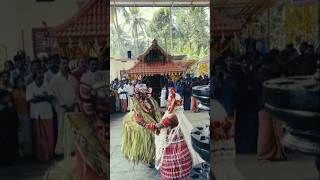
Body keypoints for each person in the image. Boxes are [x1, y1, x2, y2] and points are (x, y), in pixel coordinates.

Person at [135, 88, 204, 179]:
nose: (167, 102)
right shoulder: (178, 114)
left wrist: (142, 122)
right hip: (180, 143)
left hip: (173, 148)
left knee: (172, 171)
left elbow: (156, 126)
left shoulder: (171, 117)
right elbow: (165, 114)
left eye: (168, 101)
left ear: (172, 103)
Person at [121, 84, 162, 166]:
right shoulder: (137, 104)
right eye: (142, 93)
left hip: (152, 121)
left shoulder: (151, 101)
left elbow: (155, 111)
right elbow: (138, 118)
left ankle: (154, 155)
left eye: (146, 93)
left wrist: (161, 117)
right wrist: (147, 125)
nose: (144, 95)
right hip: (143, 123)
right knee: (149, 136)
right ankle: (148, 158)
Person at [256, 54, 286, 161]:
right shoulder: (262, 74)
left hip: (268, 105)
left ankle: (274, 154)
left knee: (270, 132)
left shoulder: (267, 72)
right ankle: (265, 155)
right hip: (266, 105)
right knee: (266, 132)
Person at [50, 59, 79, 155]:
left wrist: (75, 103)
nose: (65, 65)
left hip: (73, 107)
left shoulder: (73, 78)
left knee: (73, 128)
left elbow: (76, 92)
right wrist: (64, 105)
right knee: (62, 128)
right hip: (62, 108)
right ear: (59, 65)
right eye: (63, 63)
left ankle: (73, 148)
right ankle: (60, 149)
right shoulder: (55, 79)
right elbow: (55, 94)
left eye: (66, 63)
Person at [26, 72, 55, 161]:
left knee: (49, 135)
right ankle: (40, 155)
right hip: (36, 114)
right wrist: (44, 97)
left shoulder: (47, 85)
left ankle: (49, 154)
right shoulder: (30, 87)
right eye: (38, 78)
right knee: (38, 136)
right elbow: (31, 100)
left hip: (47, 113)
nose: (40, 79)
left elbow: (51, 97)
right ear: (34, 78)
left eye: (42, 77)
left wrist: (40, 97)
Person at [12, 76, 32, 157]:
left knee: (27, 134)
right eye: (18, 81)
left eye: (22, 81)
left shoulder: (26, 91)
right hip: (17, 115)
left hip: (26, 114)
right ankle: (20, 153)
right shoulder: (13, 92)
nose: (20, 83)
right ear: (16, 83)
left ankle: (28, 153)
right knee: (20, 134)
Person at [0, 89, 19, 165]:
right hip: (3, 129)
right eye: (6, 97)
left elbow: (15, 116)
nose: (8, 98)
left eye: (8, 97)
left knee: (13, 144)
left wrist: (17, 125)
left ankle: (13, 158)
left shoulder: (11, 106)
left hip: (12, 128)